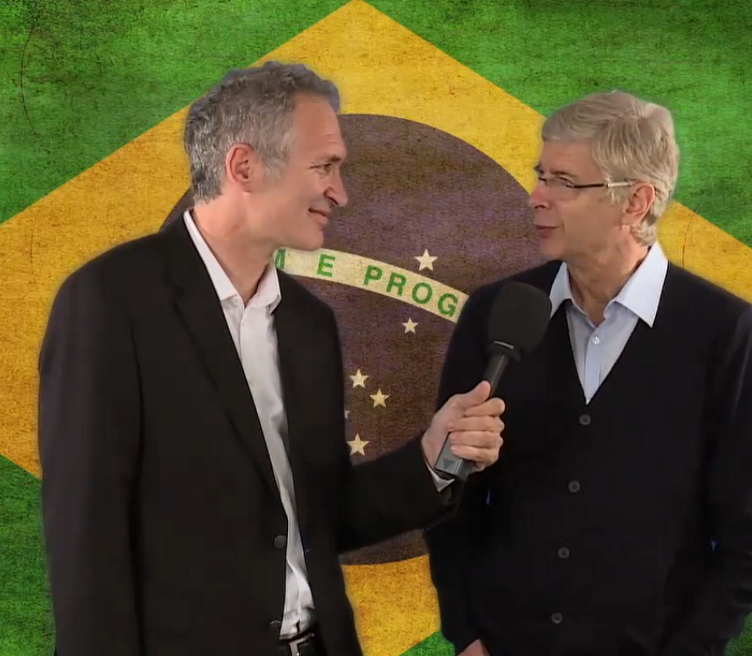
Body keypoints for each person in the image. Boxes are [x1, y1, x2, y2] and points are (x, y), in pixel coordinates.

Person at [36, 61, 506, 656]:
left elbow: (322, 516)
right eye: (324, 166)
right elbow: (86, 538)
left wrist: (430, 458)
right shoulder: (110, 300)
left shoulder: (309, 323)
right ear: (244, 167)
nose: (340, 192)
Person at [423, 89, 752, 656]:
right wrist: (466, 633)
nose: (536, 198)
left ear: (636, 201)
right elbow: (450, 489)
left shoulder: (723, 332)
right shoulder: (497, 314)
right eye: (541, 176)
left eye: (565, 183)